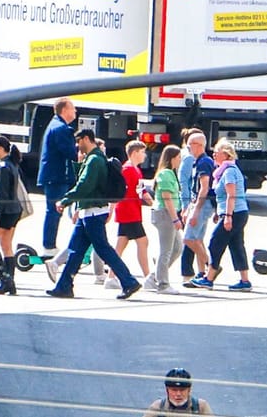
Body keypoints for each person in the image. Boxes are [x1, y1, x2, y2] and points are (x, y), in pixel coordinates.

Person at [47, 126, 143, 300]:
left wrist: (65, 200)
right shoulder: (92, 159)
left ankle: (129, 282)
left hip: (93, 213)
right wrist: (78, 162)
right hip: (88, 212)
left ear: (85, 139)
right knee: (76, 251)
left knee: (103, 249)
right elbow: (84, 183)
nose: (77, 146)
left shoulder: (94, 161)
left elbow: (84, 186)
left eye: (78, 142)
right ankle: (64, 286)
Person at [195, 142, 252, 291]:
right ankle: (245, 281)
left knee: (215, 243)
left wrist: (227, 216)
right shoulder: (224, 171)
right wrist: (218, 213)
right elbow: (222, 198)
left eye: (217, 152)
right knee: (236, 245)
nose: (214, 154)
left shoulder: (229, 172)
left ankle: (209, 278)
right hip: (237, 212)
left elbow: (231, 195)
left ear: (226, 155)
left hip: (235, 213)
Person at [0, 137, 27, 295]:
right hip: (14, 211)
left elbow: (0, 194)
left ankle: (5, 279)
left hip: (4, 212)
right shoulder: (13, 164)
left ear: (0, 148)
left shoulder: (2, 166)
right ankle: (10, 283)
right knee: (6, 245)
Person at [37, 98, 79, 253]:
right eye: (73, 108)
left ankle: (49, 245)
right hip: (56, 176)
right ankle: (49, 246)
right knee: (54, 211)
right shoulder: (61, 128)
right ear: (65, 110)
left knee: (54, 211)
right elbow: (70, 153)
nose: (75, 111)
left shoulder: (56, 125)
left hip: (53, 175)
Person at [177, 130, 216, 281]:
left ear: (198, 145)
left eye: (189, 146)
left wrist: (194, 210)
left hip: (202, 204)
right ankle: (202, 273)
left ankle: (211, 265)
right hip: (201, 204)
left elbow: (204, 188)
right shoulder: (199, 161)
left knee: (188, 239)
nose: (188, 149)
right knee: (198, 239)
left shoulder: (203, 162)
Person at [148, 144, 184, 292]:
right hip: (165, 214)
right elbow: (167, 198)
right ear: (172, 158)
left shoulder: (170, 173)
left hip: (168, 214)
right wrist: (175, 219)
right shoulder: (166, 173)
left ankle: (153, 277)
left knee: (177, 248)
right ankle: (163, 284)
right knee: (166, 250)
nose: (180, 160)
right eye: (179, 157)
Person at [114, 140, 150, 283]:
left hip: (131, 211)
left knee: (120, 245)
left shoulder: (135, 169)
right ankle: (147, 276)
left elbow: (141, 191)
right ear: (134, 153)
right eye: (142, 152)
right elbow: (130, 191)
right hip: (129, 212)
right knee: (143, 241)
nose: (144, 156)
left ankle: (111, 276)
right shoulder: (129, 169)